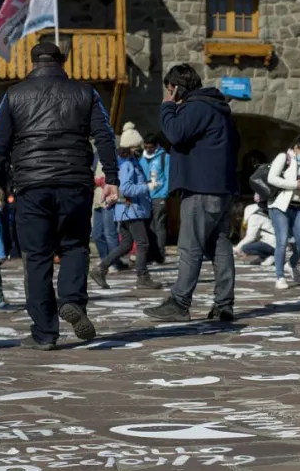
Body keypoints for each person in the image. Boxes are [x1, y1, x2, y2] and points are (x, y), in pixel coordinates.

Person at [0, 41, 120, 350]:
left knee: (37, 256)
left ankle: (44, 332)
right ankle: (72, 301)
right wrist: (111, 177)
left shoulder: (14, 95)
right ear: (63, 61)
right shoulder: (86, 92)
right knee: (74, 247)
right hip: (75, 183)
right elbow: (104, 135)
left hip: (32, 185)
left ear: (32, 63)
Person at [144, 64, 239, 322]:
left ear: (175, 89)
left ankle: (179, 302)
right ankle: (224, 304)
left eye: (169, 90)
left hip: (200, 189)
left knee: (190, 247)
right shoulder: (220, 108)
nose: (168, 94)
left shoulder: (197, 106)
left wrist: (167, 107)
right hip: (221, 188)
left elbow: (175, 133)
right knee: (220, 246)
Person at [89, 128, 162, 291]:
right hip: (131, 209)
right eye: (137, 145)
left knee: (126, 244)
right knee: (142, 243)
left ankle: (100, 269)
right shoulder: (127, 164)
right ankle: (142, 277)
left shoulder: (129, 161)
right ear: (131, 146)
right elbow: (126, 188)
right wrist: (147, 187)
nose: (140, 148)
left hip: (127, 210)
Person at [266, 137, 300, 290]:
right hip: (280, 205)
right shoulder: (284, 158)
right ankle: (279, 276)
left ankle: (291, 264)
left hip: (298, 205)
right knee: (281, 241)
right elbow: (271, 178)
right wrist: (294, 184)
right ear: (296, 148)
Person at [140, 130, 170, 264]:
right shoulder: (142, 157)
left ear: (156, 145)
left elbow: (168, 176)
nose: (148, 149)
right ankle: (151, 252)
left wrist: (164, 194)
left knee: (159, 224)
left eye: (150, 147)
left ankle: (160, 253)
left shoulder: (165, 157)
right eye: (145, 147)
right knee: (148, 226)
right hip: (145, 195)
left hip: (159, 195)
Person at [91, 157, 124, 271]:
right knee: (96, 234)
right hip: (97, 199)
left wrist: (103, 181)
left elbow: (118, 176)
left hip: (109, 198)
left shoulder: (114, 156)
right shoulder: (95, 156)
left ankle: (114, 262)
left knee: (110, 232)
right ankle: (105, 260)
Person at [234, 197, 276, 265]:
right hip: (271, 243)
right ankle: (264, 256)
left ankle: (271, 255)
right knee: (248, 246)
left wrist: (238, 248)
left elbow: (250, 237)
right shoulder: (258, 214)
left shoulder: (254, 217)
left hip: (272, 244)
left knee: (245, 248)